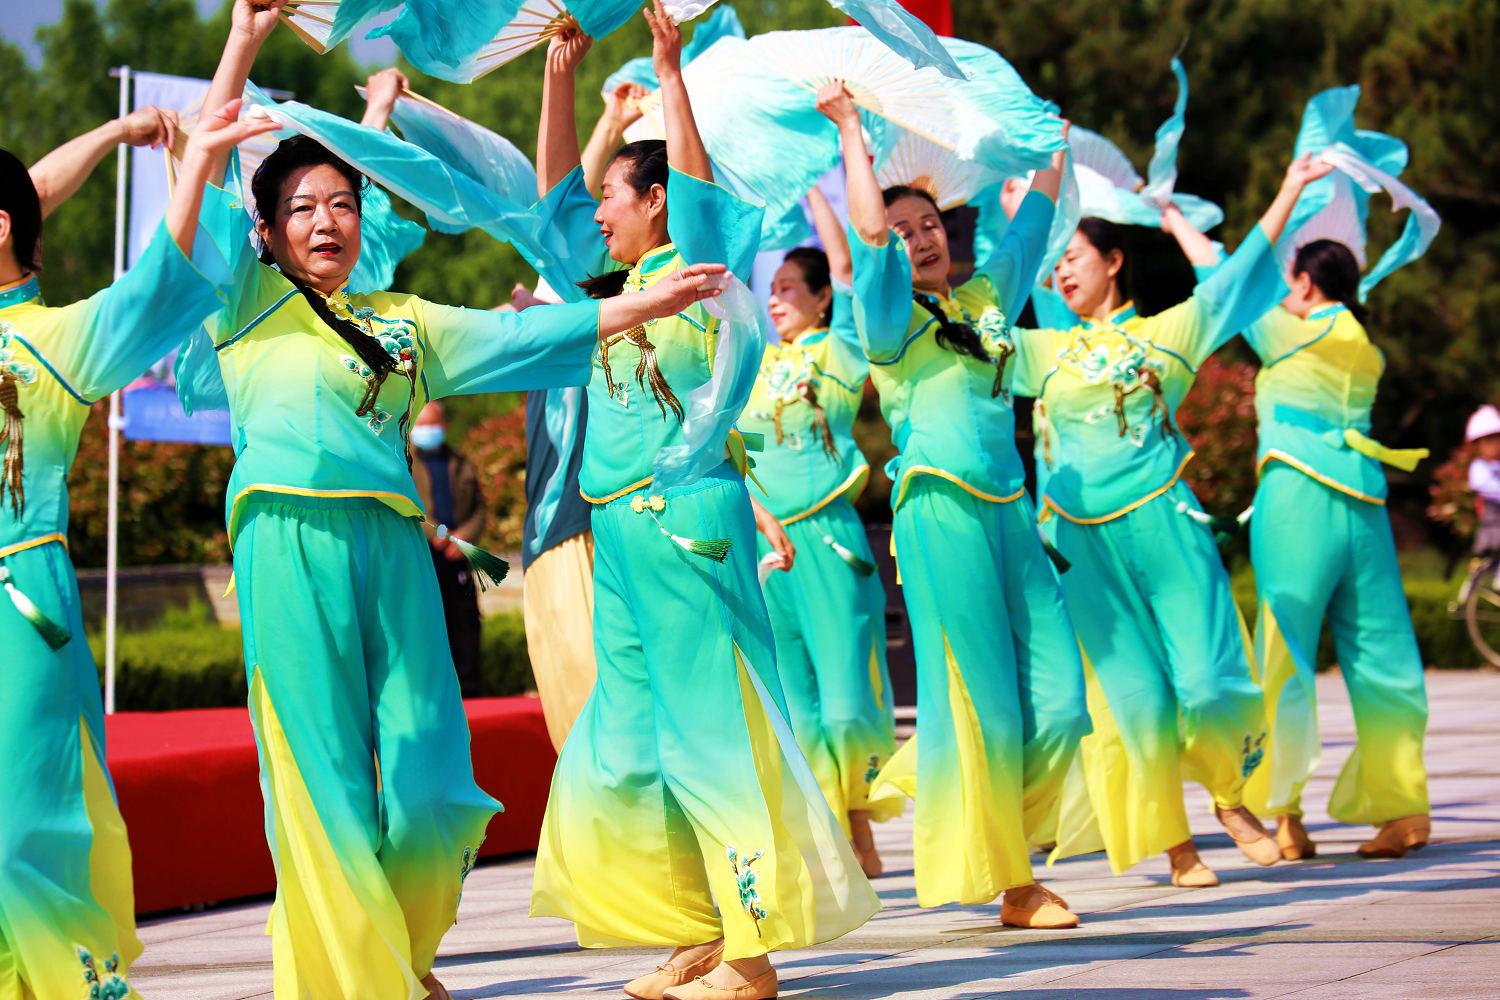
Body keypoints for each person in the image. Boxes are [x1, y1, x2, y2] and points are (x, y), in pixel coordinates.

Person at [189, 6, 733, 998]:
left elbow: (523, 338)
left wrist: (644, 303)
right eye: (303, 206)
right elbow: (213, 149)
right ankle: (354, 972)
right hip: (284, 535)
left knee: (435, 786)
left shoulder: (403, 322)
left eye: (344, 202)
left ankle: (393, 948)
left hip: (396, 549)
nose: (326, 219)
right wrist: (244, 41)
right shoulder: (243, 303)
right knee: (322, 783)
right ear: (263, 230)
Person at [528, 7, 878, 999]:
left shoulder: (704, 270)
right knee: (625, 745)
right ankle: (701, 928)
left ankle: (753, 951)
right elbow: (550, 195)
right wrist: (561, 74)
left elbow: (694, 182)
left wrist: (672, 75)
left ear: (657, 202)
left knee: (711, 737)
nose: (596, 211)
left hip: (687, 524)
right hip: (619, 533)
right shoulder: (605, 284)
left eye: (614, 196)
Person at [0, 101, 274, 1000]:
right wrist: (118, 136)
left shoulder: (55, 341)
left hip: (17, 602)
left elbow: (159, 278)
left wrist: (190, 160)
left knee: (25, 819)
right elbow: (34, 186)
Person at [820, 82, 1092, 929]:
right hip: (936, 510)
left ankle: (993, 825)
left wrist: (1054, 142)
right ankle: (1012, 880)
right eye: (903, 230)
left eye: (929, 223)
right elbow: (868, 236)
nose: (919, 235)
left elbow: (1033, 224)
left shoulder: (985, 301)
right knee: (980, 698)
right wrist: (852, 134)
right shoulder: (886, 317)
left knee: (1059, 699)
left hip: (1012, 511)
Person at [1018, 159, 1334, 887]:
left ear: (1114, 261)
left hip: (1165, 521)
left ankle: (1231, 797)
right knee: (1134, 699)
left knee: (1208, 682)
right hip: (1079, 541)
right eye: (1055, 264)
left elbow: (1240, 274)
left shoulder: (1168, 334)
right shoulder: (1043, 350)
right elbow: (977, 329)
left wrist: (1285, 187)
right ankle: (1176, 845)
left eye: (1075, 258)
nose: (1063, 273)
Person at [1217, 237, 1433, 860]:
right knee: (1384, 656)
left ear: (1307, 284)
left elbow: (1226, 288)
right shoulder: (1363, 346)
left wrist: (1180, 225)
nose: (1284, 291)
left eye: (1289, 281)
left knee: (1284, 658)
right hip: (1364, 503)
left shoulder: (1294, 332)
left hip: (1299, 498)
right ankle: (1405, 809)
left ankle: (1284, 816)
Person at [737, 185, 898, 880]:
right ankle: (827, 831)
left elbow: (849, 267)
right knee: (795, 702)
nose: (774, 300)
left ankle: (860, 823)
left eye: (787, 289)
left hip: (831, 540)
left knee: (844, 700)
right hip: (772, 552)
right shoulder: (753, 366)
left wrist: (808, 188)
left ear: (820, 298)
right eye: (768, 290)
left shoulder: (835, 355)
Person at [410, 400, 487, 697]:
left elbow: (480, 509)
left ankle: (470, 691)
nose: (428, 430)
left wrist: (462, 539)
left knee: (465, 624)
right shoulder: (404, 463)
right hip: (423, 557)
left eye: (433, 424)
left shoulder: (460, 462)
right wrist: (438, 534)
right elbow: (406, 507)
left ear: (443, 427)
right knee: (426, 624)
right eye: (422, 424)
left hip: (458, 557)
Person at [1467, 404, 1500, 555]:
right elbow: (1484, 486)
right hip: (1493, 525)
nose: (1495, 445)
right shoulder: (1479, 467)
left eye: (1496, 439)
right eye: (1488, 441)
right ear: (1477, 446)